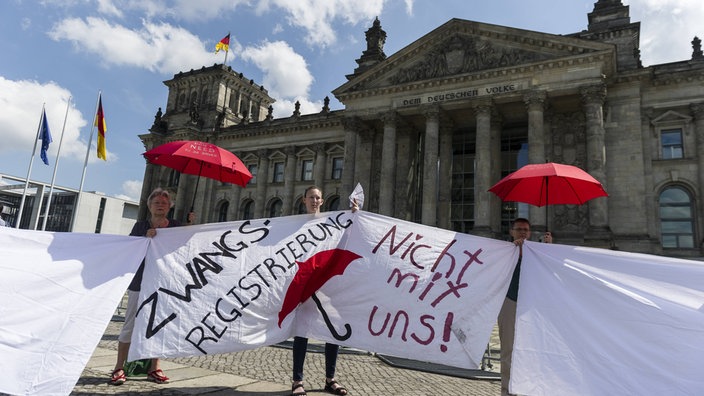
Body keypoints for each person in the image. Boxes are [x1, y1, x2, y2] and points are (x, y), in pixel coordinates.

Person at [110, 188, 195, 385]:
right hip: (139, 283)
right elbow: (130, 250)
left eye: (164, 203)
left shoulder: (175, 226)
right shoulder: (140, 226)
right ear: (150, 206)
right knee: (129, 326)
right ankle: (118, 368)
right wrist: (145, 239)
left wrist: (190, 225)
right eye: (156, 202)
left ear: (169, 207)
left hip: (164, 283)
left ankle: (154, 368)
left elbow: (186, 247)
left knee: (158, 327)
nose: (160, 205)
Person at [291, 185, 357, 396]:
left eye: (318, 197)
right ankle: (297, 381)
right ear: (304, 200)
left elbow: (347, 237)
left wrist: (354, 215)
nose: (315, 200)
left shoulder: (331, 223)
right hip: (304, 284)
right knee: (302, 333)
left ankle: (330, 379)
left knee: (333, 330)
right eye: (311, 197)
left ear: (322, 201)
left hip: (327, 285)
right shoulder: (294, 225)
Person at [497, 218, 552, 396]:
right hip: (509, 302)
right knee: (508, 350)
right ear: (511, 231)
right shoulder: (503, 252)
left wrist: (549, 248)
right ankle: (507, 391)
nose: (523, 232)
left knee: (534, 350)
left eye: (526, 230)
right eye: (519, 229)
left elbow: (550, 272)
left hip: (532, 306)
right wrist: (514, 252)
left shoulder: (537, 253)